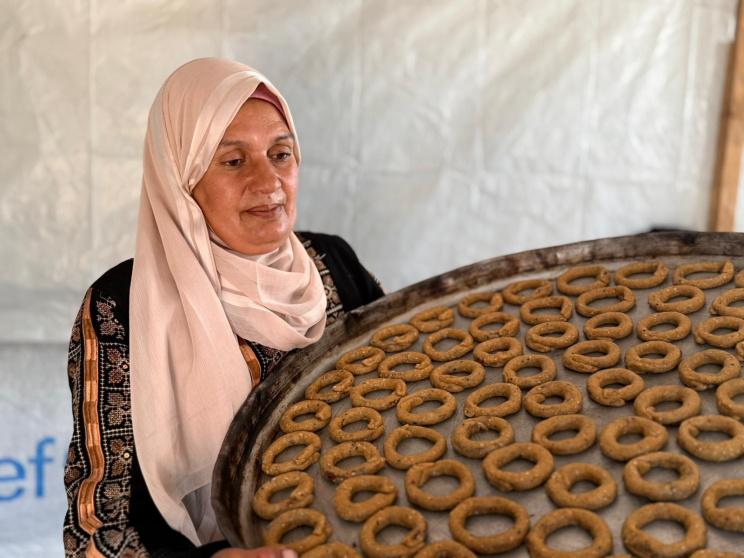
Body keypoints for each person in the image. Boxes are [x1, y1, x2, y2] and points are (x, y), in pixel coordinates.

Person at [62, 58, 384, 557]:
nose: (269, 182)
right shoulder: (122, 305)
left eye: (281, 154)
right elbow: (97, 526)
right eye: (233, 161)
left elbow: (410, 405)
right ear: (181, 177)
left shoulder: (334, 263)